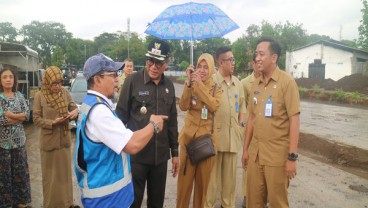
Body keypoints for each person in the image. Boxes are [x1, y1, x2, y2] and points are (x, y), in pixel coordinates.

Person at [73, 53, 167, 207]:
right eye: (113, 75)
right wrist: (153, 125)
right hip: (107, 199)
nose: (117, 79)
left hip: (111, 195)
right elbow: (132, 145)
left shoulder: (96, 104)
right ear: (97, 80)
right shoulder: (99, 112)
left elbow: (124, 136)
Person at [116, 38, 179, 208]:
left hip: (160, 158)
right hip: (136, 156)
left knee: (157, 203)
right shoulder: (132, 81)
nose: (153, 66)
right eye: (151, 61)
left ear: (166, 63)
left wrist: (175, 153)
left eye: (159, 63)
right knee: (133, 202)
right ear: (146, 60)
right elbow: (120, 117)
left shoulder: (169, 86)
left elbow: (172, 122)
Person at [242, 37, 300, 208]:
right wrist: (245, 150)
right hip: (255, 155)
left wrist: (292, 157)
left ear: (273, 58)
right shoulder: (256, 84)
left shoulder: (286, 82)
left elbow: (294, 120)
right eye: (256, 54)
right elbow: (251, 118)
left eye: (261, 54)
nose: (257, 58)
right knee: (254, 201)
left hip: (277, 157)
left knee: (277, 203)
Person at [176, 53, 222, 208]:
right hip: (189, 140)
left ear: (211, 69)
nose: (202, 70)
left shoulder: (216, 88)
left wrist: (200, 86)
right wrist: (189, 84)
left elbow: (213, 106)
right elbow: (183, 106)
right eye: (199, 66)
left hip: (206, 142)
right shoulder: (191, 83)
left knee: (202, 187)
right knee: (184, 185)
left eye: (205, 67)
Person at [205, 46, 246, 208]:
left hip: (232, 138)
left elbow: (242, 106)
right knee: (211, 181)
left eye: (233, 59)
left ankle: (227, 205)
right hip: (214, 139)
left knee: (230, 182)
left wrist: (241, 124)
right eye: (230, 60)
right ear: (221, 62)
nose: (233, 63)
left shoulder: (237, 83)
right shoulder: (211, 82)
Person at [33, 66, 80, 208]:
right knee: (50, 177)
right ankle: (51, 204)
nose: (57, 86)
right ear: (47, 82)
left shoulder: (64, 93)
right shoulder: (39, 96)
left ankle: (67, 203)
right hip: (49, 142)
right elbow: (36, 119)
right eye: (54, 83)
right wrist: (52, 123)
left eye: (59, 83)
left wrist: (74, 113)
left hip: (63, 141)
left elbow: (74, 107)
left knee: (64, 176)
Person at [0, 67, 31, 208]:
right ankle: (7, 203)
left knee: (20, 172)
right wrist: (19, 117)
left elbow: (27, 115)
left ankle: (21, 201)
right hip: (3, 144)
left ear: (14, 79)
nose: (8, 79)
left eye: (10, 77)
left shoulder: (19, 95)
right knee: (5, 175)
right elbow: (0, 120)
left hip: (19, 143)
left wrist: (10, 115)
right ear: (0, 80)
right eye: (5, 77)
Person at [240, 53, 262, 208]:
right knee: (248, 162)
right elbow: (243, 106)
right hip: (250, 128)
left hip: (264, 129)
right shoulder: (245, 83)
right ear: (253, 63)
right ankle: (246, 195)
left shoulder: (269, 81)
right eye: (256, 62)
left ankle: (261, 197)